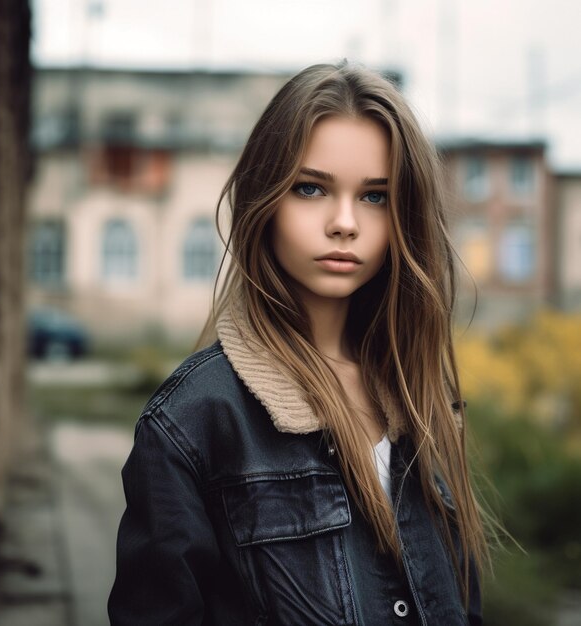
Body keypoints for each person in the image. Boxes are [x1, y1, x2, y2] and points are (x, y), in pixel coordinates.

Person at [108, 61, 486, 625]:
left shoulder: (421, 397)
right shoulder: (192, 423)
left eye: (375, 197)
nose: (344, 223)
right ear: (265, 199)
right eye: (310, 188)